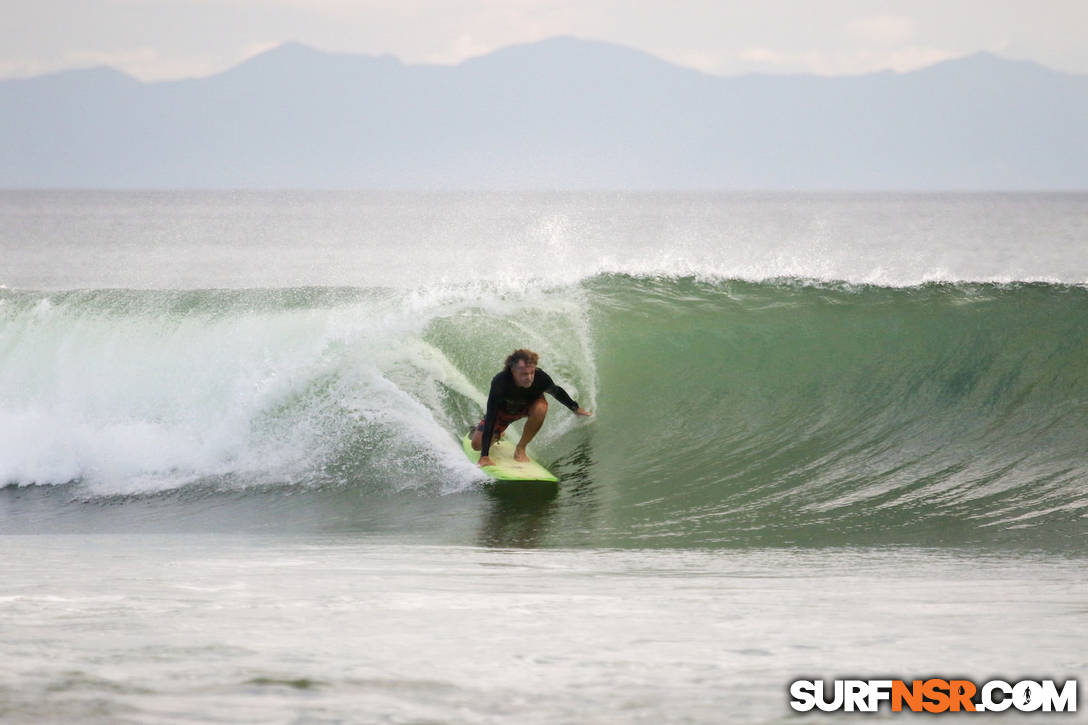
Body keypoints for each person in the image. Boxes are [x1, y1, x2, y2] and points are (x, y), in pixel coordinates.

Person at [472, 349, 592, 467]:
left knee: (541, 408)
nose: (529, 377)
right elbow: (491, 416)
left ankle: (521, 448)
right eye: (524, 374)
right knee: (476, 445)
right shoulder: (500, 382)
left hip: (528, 407)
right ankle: (498, 434)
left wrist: (575, 408)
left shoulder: (540, 378)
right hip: (504, 412)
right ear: (513, 371)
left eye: (532, 372)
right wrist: (484, 456)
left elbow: (556, 391)